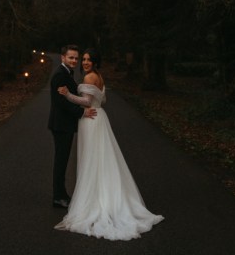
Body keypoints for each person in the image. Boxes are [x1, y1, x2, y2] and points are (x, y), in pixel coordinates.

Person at [54, 48, 163, 240]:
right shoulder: (99, 76)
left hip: (91, 119)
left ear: (95, 62)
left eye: (88, 60)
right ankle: (105, 194)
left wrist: (67, 95)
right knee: (101, 158)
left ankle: (94, 198)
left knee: (92, 159)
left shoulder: (89, 78)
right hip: (99, 118)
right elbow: (102, 100)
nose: (85, 62)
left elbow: (87, 101)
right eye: (84, 59)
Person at [48, 45, 96, 208]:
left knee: (62, 160)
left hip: (64, 124)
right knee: (61, 161)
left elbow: (70, 97)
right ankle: (58, 196)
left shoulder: (66, 73)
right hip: (61, 125)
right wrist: (82, 113)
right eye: (71, 57)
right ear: (63, 58)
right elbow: (61, 102)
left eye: (76, 58)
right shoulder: (59, 75)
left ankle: (61, 194)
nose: (74, 60)